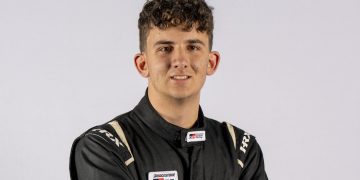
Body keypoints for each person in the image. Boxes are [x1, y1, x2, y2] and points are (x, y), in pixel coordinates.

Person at [69, 0, 268, 179]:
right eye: (165, 48)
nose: (180, 61)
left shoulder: (240, 149)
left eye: (193, 47)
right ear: (142, 64)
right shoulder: (103, 147)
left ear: (211, 62)